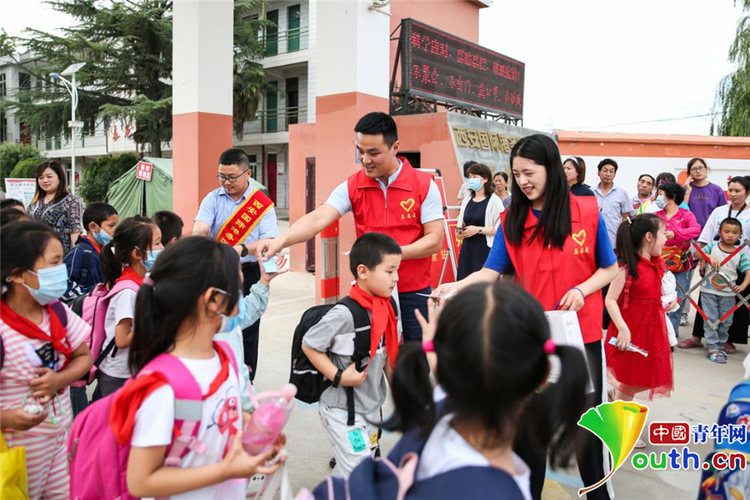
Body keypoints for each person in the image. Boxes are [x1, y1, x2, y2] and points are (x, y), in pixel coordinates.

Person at [433, 134, 618, 500]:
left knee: (585, 430)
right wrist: (456, 286)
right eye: (517, 174)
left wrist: (581, 290)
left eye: (529, 172)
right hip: (530, 339)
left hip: (580, 337)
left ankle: (598, 494)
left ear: (550, 168)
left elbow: (609, 269)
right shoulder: (511, 219)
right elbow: (489, 272)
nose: (523, 181)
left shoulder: (587, 211)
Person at [109, 237, 283, 499]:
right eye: (237, 286)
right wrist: (226, 470)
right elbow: (141, 481)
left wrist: (260, 432)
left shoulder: (223, 357)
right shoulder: (162, 385)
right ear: (213, 299)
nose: (241, 294)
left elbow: (228, 411)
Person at [256, 112, 444, 343]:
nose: (365, 159)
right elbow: (318, 218)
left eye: (373, 152)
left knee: (414, 366)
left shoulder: (424, 185)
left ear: (395, 147)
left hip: (413, 291)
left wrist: (389, 256)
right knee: (369, 363)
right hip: (369, 292)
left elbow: (434, 240)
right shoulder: (354, 185)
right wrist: (281, 241)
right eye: (360, 151)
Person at [0, 221, 93, 499]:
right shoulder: (3, 331)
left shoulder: (57, 312)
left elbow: (83, 356)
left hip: (58, 437)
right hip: (14, 448)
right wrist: (6, 417)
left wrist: (59, 380)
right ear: (17, 275)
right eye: (53, 264)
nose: (61, 271)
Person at [302, 233, 401, 476]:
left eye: (397, 270)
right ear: (363, 271)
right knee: (361, 471)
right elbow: (310, 344)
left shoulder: (388, 308)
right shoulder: (343, 315)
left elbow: (388, 355)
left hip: (370, 409)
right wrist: (339, 376)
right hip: (342, 412)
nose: (396, 278)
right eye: (389, 272)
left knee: (351, 470)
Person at [194, 148, 278, 380]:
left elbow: (270, 241)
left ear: (247, 173)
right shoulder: (212, 198)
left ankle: (245, 379)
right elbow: (200, 228)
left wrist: (240, 249)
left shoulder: (261, 204)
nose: (226, 182)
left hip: (248, 272)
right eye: (221, 176)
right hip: (217, 272)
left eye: (231, 177)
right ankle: (216, 376)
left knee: (247, 329)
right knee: (214, 325)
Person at [605, 214, 673, 416]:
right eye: (663, 233)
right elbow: (610, 300)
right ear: (649, 237)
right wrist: (624, 329)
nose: (666, 238)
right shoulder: (626, 269)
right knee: (631, 382)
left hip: (652, 331)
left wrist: (665, 303)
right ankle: (618, 428)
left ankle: (616, 398)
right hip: (631, 333)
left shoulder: (656, 264)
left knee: (647, 378)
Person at [96, 216, 164, 397]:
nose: (162, 249)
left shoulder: (142, 282)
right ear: (137, 254)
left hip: (131, 368)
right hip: (119, 374)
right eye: (157, 243)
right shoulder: (127, 291)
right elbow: (122, 339)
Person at [687, 176, 750, 352]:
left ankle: (727, 339)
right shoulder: (719, 211)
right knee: (707, 300)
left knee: (735, 303)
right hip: (714, 261)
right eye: (730, 190)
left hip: (740, 262)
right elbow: (706, 235)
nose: (733, 194)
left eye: (738, 190)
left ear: (747, 193)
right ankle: (697, 336)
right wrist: (702, 260)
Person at [693, 218, 750, 363]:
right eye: (727, 231)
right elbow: (696, 254)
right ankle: (712, 346)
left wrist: (743, 285)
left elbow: (748, 271)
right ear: (719, 232)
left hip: (729, 294)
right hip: (709, 291)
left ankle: (721, 343)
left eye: (735, 232)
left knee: (726, 320)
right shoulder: (712, 247)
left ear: (740, 235)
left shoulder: (740, 254)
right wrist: (708, 256)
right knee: (710, 318)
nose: (730, 235)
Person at [653, 182, 701, 337]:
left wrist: (676, 234)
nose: (659, 197)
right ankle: (657, 332)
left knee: (677, 298)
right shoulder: (656, 216)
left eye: (661, 194)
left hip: (680, 262)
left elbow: (696, 230)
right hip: (658, 261)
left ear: (672, 197)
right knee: (656, 297)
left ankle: (671, 333)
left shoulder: (686, 215)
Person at [457, 163, 503, 279]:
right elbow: (460, 221)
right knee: (464, 283)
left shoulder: (494, 201)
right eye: (470, 177)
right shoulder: (467, 199)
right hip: (467, 249)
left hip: (485, 249)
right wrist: (459, 232)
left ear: (485, 179)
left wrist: (478, 230)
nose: (471, 180)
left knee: (481, 286)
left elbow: (500, 229)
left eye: (475, 177)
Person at [26, 161, 82, 255]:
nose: (45, 180)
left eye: (49, 176)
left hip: (58, 255)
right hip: (35, 254)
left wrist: (74, 257)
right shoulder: (35, 203)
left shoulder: (71, 201)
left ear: (60, 177)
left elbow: (75, 231)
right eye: (41, 177)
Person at [64, 202, 119, 296]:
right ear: (93, 227)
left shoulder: (106, 252)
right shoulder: (79, 253)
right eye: (111, 226)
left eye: (115, 225)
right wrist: (92, 294)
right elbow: (64, 287)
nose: (115, 230)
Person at [593, 158, 631, 248]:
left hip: (614, 240)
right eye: (605, 170)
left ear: (615, 174)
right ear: (599, 172)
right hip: (594, 238)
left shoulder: (622, 193)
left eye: (611, 171)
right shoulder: (591, 192)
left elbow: (625, 217)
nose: (608, 174)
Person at [683, 158, 727, 229]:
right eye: (694, 169)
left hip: (710, 232)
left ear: (706, 169)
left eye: (700, 168)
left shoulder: (716, 190)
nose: (698, 171)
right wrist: (688, 191)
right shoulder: (684, 189)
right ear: (689, 172)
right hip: (689, 232)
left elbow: (723, 212)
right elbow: (681, 211)